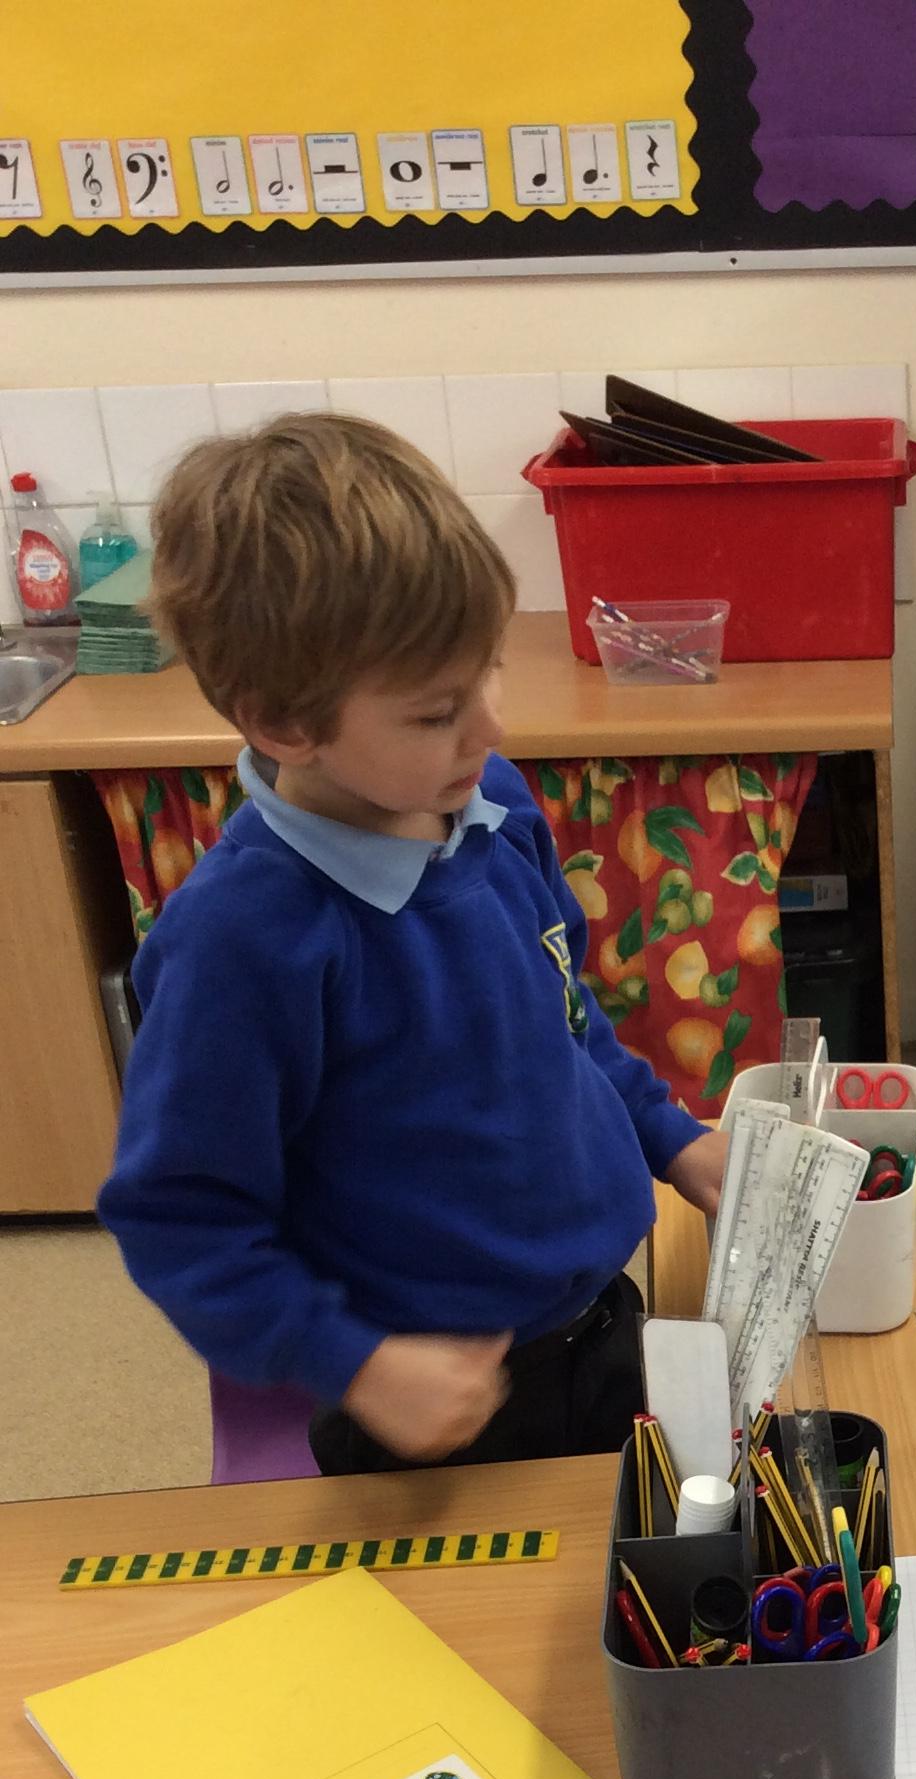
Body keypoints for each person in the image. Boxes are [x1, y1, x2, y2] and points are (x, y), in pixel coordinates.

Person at [99, 413, 726, 1473]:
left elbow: (563, 1018)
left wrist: (669, 1136)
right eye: (437, 712)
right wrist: (354, 1364)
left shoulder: (494, 804)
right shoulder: (241, 941)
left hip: (600, 1322)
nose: (491, 727)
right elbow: (178, 1216)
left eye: (489, 670)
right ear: (284, 724)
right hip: (426, 1410)